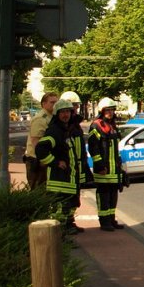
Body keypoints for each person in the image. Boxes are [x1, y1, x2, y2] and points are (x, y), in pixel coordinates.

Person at [35, 99, 84, 234]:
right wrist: (55, 162)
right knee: (61, 208)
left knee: (70, 204)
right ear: (57, 114)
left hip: (69, 177)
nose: (65, 115)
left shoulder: (67, 129)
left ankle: (68, 226)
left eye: (68, 111)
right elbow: (40, 149)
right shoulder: (54, 131)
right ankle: (62, 234)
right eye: (62, 112)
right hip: (59, 180)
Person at [88, 97, 125, 231]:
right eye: (107, 110)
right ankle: (104, 222)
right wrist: (98, 164)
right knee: (103, 196)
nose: (110, 112)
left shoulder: (112, 126)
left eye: (112, 110)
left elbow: (116, 149)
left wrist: (120, 166)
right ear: (102, 111)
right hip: (103, 169)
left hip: (113, 169)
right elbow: (93, 147)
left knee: (113, 196)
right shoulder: (96, 125)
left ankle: (111, 219)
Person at [25, 92, 58, 189]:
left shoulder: (51, 117)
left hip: (46, 159)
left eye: (56, 102)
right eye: (52, 102)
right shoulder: (40, 119)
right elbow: (36, 141)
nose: (55, 105)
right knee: (38, 191)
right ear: (43, 104)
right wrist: (43, 159)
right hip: (37, 161)